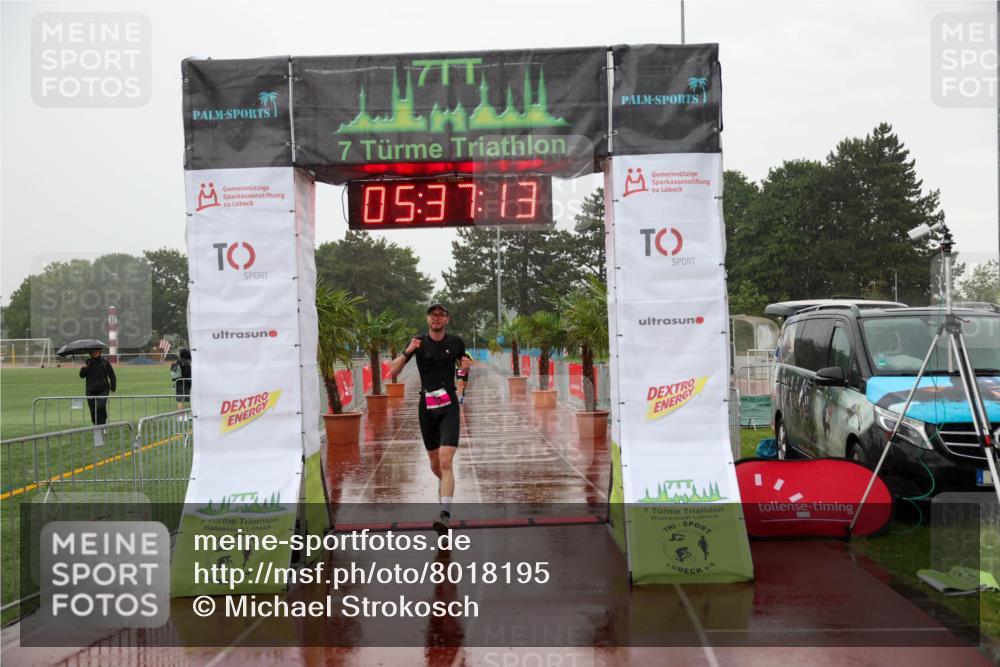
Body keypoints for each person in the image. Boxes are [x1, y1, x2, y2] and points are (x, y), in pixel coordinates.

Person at [389, 303, 471, 535]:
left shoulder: (456, 343)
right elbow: (393, 372)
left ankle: (444, 515)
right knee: (436, 465)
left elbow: (463, 374)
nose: (436, 319)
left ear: (447, 319)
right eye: (432, 315)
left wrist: (464, 370)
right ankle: (448, 484)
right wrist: (408, 351)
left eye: (440, 315)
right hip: (426, 408)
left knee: (446, 461)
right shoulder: (418, 342)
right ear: (427, 320)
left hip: (449, 407)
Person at [80, 348, 116, 426]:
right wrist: (83, 368)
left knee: (100, 406)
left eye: (96, 351)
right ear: (90, 353)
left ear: (100, 352)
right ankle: (95, 424)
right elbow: (82, 376)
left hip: (103, 389)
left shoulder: (105, 362)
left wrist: (113, 387)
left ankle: (102, 424)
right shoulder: (87, 362)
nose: (95, 352)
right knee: (93, 409)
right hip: (90, 390)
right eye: (93, 351)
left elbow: (112, 374)